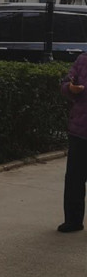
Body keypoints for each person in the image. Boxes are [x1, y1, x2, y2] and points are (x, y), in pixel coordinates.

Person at [58, 53, 86, 233]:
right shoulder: (83, 60)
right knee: (75, 178)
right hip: (80, 130)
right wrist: (70, 88)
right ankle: (73, 221)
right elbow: (66, 83)